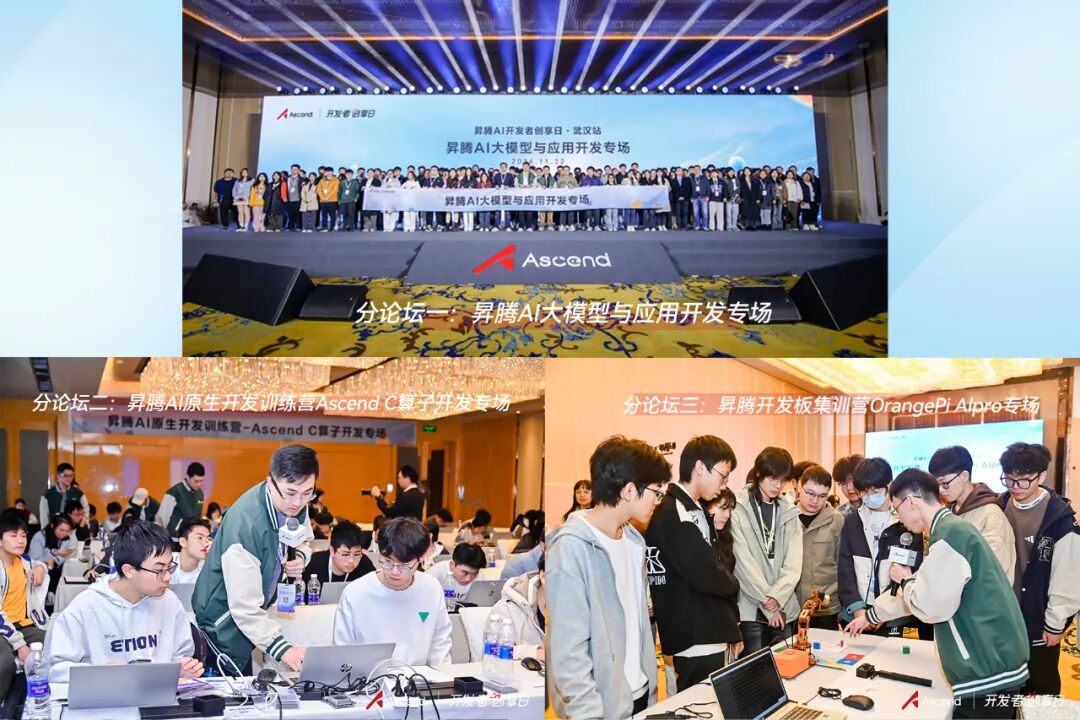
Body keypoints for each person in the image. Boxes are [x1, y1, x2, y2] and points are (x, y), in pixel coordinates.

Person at [858, 470, 1029, 719]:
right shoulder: (951, 530)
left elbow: (930, 605)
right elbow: (931, 587)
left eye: (896, 510)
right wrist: (872, 615)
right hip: (993, 658)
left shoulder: (951, 535)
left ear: (911, 502)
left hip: (986, 667)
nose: (900, 519)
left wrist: (905, 579)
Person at [548, 436, 669, 719]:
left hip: (641, 695)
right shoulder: (571, 547)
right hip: (598, 708)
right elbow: (568, 652)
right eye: (656, 492)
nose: (658, 501)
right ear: (629, 490)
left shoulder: (634, 541)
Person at [193, 445, 315, 675]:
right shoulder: (245, 525)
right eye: (290, 493)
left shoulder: (296, 502)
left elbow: (305, 540)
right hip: (222, 621)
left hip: (255, 615)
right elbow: (244, 607)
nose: (298, 502)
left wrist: (300, 556)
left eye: (307, 493)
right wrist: (284, 650)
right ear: (270, 483)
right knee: (230, 685)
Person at [42, 521, 204, 684]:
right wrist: (99, 673)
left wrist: (182, 669)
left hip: (157, 694)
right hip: (105, 696)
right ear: (129, 570)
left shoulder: (169, 601)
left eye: (170, 567)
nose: (168, 577)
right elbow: (55, 670)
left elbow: (182, 654)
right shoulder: (86, 607)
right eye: (159, 570)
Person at [646, 435, 742, 691]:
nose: (723, 484)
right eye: (723, 476)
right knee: (699, 703)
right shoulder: (674, 512)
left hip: (707, 629)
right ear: (700, 467)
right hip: (696, 633)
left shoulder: (692, 508)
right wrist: (732, 583)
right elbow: (709, 573)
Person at [995, 442, 1080, 696]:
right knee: (1006, 685)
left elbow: (1068, 576)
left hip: (1040, 621)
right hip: (1004, 617)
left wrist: (1055, 623)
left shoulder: (1060, 518)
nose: (1015, 487)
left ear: (1041, 476)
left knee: (1040, 689)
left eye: (1023, 480)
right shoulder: (999, 507)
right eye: (1009, 479)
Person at [333, 517, 452, 666]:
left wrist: (442, 677)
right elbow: (342, 653)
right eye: (387, 561)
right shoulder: (356, 593)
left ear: (422, 557)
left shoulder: (431, 588)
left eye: (404, 565)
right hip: (368, 677)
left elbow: (440, 647)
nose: (394, 572)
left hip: (418, 677)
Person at [838, 458, 926, 639]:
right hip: (857, 613)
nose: (870, 496)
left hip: (895, 617)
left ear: (889, 485)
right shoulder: (852, 521)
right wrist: (858, 610)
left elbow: (910, 571)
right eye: (864, 491)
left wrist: (880, 613)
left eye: (875, 490)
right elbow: (845, 569)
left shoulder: (905, 522)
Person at [729, 447, 802, 654]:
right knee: (754, 669)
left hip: (784, 606)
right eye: (773, 479)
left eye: (783, 481)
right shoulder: (737, 507)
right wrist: (767, 602)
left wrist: (776, 598)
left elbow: (794, 564)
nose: (778, 486)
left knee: (786, 666)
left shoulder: (789, 512)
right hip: (750, 607)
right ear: (759, 473)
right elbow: (742, 561)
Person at [929, 445, 1015, 581]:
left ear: (964, 476)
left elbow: (990, 570)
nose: (940, 490)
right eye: (936, 485)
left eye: (945, 483)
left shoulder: (991, 515)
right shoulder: (948, 512)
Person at [0, 510, 48, 699]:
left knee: (55, 645)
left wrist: (40, 568)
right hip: (3, 628)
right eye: (13, 536)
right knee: (4, 663)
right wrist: (20, 645)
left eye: (23, 535)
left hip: (23, 624)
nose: (21, 541)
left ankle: (38, 697)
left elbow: (41, 564)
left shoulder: (24, 562)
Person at [794, 465, 844, 629]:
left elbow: (843, 565)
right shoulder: (786, 517)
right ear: (799, 486)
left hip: (825, 606)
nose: (815, 501)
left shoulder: (836, 520)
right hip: (792, 605)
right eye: (810, 493)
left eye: (822, 496)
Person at [488, 556, 545, 662]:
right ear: (544, 577)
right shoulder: (506, 608)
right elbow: (492, 652)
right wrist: (536, 653)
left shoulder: (574, 609)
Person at [302, 521, 375, 585]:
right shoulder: (313, 564)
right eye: (345, 554)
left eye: (356, 554)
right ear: (332, 551)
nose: (351, 560)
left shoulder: (364, 564)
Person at [156, 462, 206, 543]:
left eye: (201, 481)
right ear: (188, 477)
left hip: (191, 539)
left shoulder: (200, 493)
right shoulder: (174, 492)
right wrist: (163, 537)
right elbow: (161, 517)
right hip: (174, 539)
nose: (199, 484)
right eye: (196, 481)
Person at [29, 513, 75, 597]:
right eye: (61, 530)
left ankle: (52, 594)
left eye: (67, 531)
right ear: (52, 526)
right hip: (36, 569)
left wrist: (53, 557)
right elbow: (34, 559)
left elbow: (61, 558)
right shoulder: (39, 537)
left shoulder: (66, 538)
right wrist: (53, 554)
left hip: (54, 569)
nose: (64, 533)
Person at [39, 462, 89, 531]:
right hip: (54, 530)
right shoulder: (48, 494)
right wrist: (45, 530)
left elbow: (86, 510)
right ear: (58, 475)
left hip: (73, 530)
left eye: (71, 476)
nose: (69, 478)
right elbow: (44, 516)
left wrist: (83, 524)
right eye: (65, 476)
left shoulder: (78, 493)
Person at [171, 518, 211, 586]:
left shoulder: (208, 569)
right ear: (183, 542)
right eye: (200, 538)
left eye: (208, 539)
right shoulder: (166, 562)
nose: (206, 543)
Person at [316, 167, 340, 232]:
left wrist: (328, 197)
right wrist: (322, 197)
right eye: (327, 171)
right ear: (325, 173)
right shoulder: (322, 180)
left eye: (330, 171)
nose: (328, 173)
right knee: (324, 215)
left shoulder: (336, 180)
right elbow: (318, 189)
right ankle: (325, 227)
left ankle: (332, 228)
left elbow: (335, 190)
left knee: (332, 215)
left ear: (332, 172)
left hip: (332, 200)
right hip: (323, 200)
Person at [285, 164, 303, 231]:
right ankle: (290, 226)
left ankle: (298, 226)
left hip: (298, 199)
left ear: (298, 170)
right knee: (290, 214)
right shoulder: (287, 179)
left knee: (298, 214)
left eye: (295, 169)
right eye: (292, 169)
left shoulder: (301, 179)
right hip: (289, 199)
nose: (293, 170)